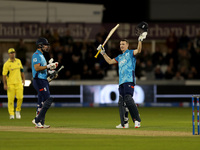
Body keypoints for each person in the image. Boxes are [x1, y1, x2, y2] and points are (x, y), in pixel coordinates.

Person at [97, 32, 147, 128]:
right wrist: (103, 52)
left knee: (128, 98)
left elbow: (139, 50)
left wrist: (140, 40)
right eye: (120, 44)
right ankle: (124, 123)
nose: (121, 46)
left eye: (123, 44)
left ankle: (137, 120)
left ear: (127, 45)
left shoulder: (130, 53)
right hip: (121, 82)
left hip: (129, 80)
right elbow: (109, 61)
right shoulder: (119, 57)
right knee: (121, 102)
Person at [31, 37, 59, 128]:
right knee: (48, 99)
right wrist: (48, 66)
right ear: (40, 45)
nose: (47, 47)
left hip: (43, 80)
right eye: (45, 45)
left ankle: (40, 123)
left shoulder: (42, 55)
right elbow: (37, 68)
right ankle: (37, 120)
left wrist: (51, 73)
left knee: (41, 101)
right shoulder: (36, 55)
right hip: (38, 80)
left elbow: (43, 70)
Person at [2, 48, 25, 119]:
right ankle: (11, 114)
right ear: (9, 54)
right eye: (11, 53)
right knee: (11, 100)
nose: (12, 54)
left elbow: (22, 71)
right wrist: (5, 84)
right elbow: (4, 75)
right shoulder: (6, 64)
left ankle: (17, 111)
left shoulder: (18, 61)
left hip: (18, 83)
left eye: (13, 52)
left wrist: (23, 79)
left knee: (20, 98)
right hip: (10, 84)